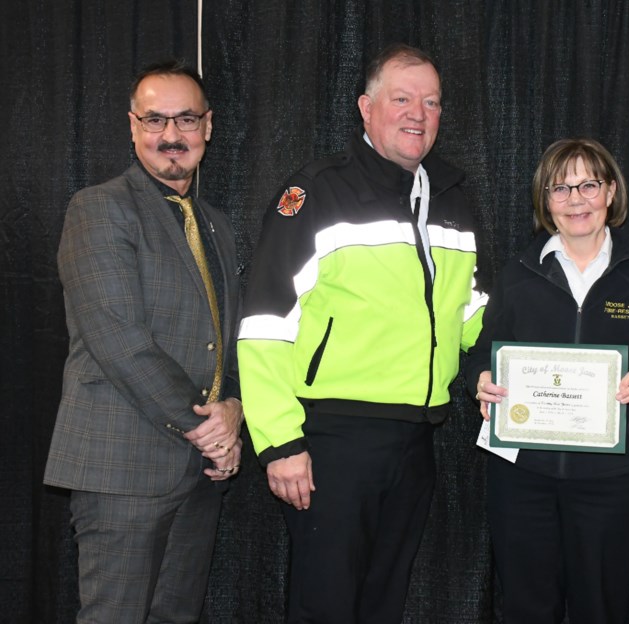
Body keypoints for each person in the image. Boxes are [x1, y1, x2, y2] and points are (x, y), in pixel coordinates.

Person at [237, 44, 486, 622]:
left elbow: (472, 313)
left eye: (431, 102)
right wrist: (279, 442)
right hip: (332, 441)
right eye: (402, 98)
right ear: (365, 108)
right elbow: (266, 323)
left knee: (383, 603)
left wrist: (495, 366)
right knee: (325, 605)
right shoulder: (316, 192)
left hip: (416, 439)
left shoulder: (453, 198)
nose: (418, 114)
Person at [44, 60, 244, 623]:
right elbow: (119, 340)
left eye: (186, 119)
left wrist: (233, 410)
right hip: (122, 468)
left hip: (199, 473)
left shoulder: (217, 226)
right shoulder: (99, 208)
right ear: (133, 127)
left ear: (209, 127)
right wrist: (209, 430)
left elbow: (229, 340)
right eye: (155, 120)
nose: (171, 135)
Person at [465, 138, 629, 623]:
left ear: (610, 192)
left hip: (613, 483)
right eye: (560, 188)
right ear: (545, 201)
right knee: (525, 608)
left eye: (588, 184)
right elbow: (483, 352)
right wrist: (481, 378)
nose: (576, 199)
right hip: (523, 478)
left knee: (601, 610)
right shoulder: (518, 275)